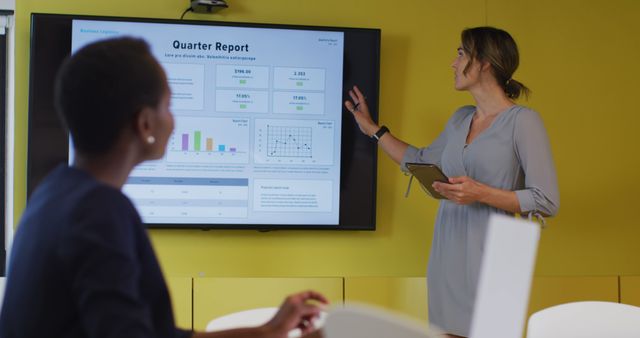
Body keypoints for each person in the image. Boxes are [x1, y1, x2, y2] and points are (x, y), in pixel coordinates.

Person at [0, 37, 326, 338]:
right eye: (168, 106)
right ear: (145, 124)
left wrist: (268, 331)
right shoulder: (98, 210)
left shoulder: (55, 192)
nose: (173, 120)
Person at [345, 27, 559, 338]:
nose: (453, 63)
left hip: (496, 255)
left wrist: (480, 192)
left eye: (461, 53)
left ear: (484, 61)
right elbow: (419, 159)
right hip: (448, 251)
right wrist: (373, 130)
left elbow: (546, 199)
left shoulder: (523, 121)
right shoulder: (461, 118)